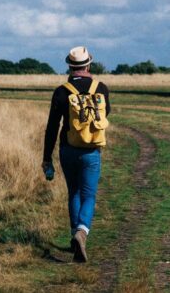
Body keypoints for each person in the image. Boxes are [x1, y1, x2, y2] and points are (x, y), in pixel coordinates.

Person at [42, 45, 112, 263]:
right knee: (88, 195)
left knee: (74, 192)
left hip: (68, 149)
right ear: (88, 65)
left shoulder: (61, 91)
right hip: (91, 150)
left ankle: (75, 236)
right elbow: (106, 114)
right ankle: (82, 232)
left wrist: (46, 158)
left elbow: (52, 127)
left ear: (70, 67)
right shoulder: (101, 89)